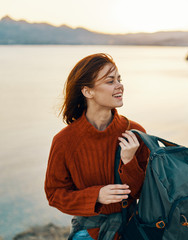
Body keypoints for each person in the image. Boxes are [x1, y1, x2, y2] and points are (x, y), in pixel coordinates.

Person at [44, 53, 150, 240]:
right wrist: (96, 196)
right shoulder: (64, 141)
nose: (120, 86)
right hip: (87, 232)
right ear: (88, 91)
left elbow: (147, 192)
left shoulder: (135, 132)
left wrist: (129, 162)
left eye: (119, 79)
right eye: (110, 81)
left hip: (132, 229)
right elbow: (55, 194)